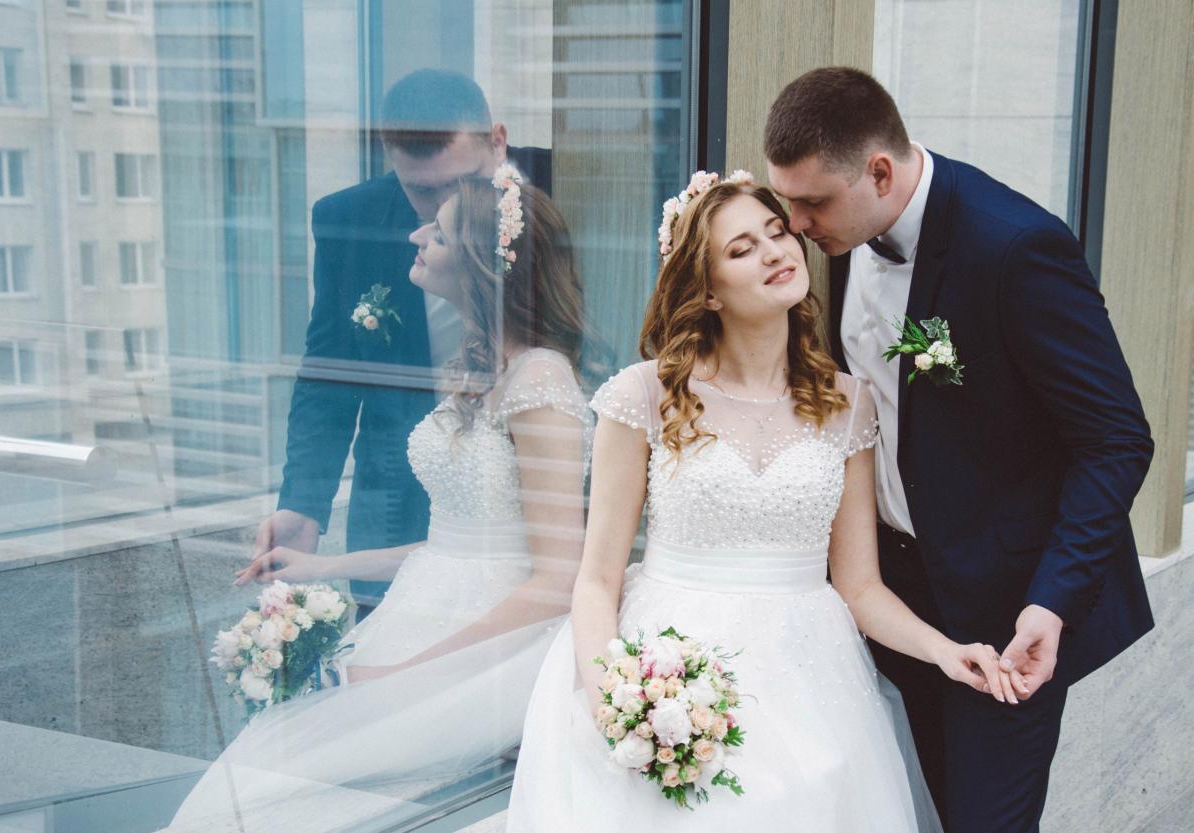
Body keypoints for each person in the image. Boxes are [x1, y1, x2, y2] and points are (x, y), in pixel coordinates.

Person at [505, 171, 1006, 831]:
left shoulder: (848, 403)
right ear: (707, 289)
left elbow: (859, 586)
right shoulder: (643, 395)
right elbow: (596, 579)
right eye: (742, 249)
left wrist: (944, 650)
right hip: (671, 663)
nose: (775, 252)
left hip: (811, 679)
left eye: (777, 233)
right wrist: (616, 702)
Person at [763, 66, 1154, 833]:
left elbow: (1116, 437)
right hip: (886, 601)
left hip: (1004, 612)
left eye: (812, 203)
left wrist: (1052, 599)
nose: (796, 226)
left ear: (879, 172)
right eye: (787, 202)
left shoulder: (1016, 247)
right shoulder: (843, 233)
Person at [161, 168, 589, 833]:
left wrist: (409, 674)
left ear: (481, 263)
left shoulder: (540, 382)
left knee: (286, 789)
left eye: (438, 233)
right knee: (257, 778)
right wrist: (322, 566)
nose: (417, 235)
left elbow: (560, 578)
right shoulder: (484, 365)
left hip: (485, 649)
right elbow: (459, 543)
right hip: (425, 612)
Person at [256, 68, 551, 609]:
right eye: (421, 191)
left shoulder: (563, 186)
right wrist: (302, 503)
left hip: (529, 499)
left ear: (498, 142)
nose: (440, 212)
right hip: (395, 500)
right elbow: (327, 374)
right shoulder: (350, 219)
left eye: (463, 183)